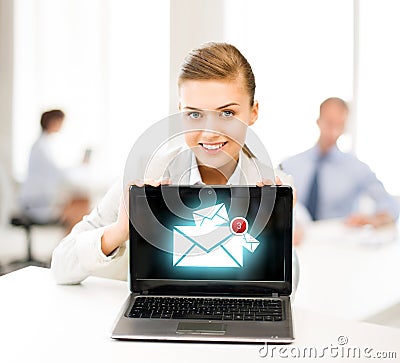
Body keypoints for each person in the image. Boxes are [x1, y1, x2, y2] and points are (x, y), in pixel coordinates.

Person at [51, 43, 299, 287]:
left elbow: (285, 293)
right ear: (181, 111)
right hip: (159, 317)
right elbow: (61, 265)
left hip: (242, 319)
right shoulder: (146, 173)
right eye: (195, 114)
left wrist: (279, 232)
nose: (209, 133)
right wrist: (120, 230)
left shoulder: (276, 187)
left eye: (226, 114)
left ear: (253, 112)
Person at [281, 97, 399, 227]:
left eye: (340, 125)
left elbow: (390, 203)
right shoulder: (289, 165)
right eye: (330, 123)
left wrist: (376, 219)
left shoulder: (356, 168)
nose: (333, 132)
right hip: (295, 240)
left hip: (338, 242)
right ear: (319, 122)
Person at [19, 109, 91, 234]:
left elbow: (56, 172)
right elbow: (59, 173)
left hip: (42, 199)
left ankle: (69, 247)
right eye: (60, 122)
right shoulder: (41, 147)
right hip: (37, 202)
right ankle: (68, 249)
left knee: (81, 202)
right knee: (81, 206)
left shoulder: (44, 144)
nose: (61, 126)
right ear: (52, 122)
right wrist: (80, 166)